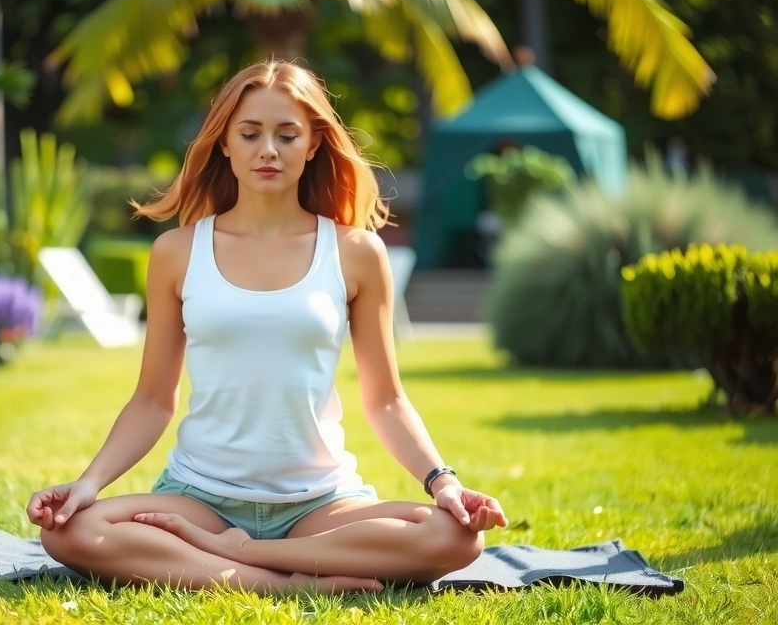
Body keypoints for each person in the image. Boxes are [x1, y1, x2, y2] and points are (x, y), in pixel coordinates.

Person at [27, 59, 508, 596]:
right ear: (224, 143)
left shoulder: (355, 253)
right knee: (73, 532)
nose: (268, 150)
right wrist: (88, 485)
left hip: (321, 504)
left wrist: (445, 484)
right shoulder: (176, 253)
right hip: (199, 499)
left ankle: (243, 558)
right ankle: (289, 583)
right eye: (250, 133)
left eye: (287, 134)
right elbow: (152, 400)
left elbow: (387, 401)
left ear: (315, 144)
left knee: (457, 537)